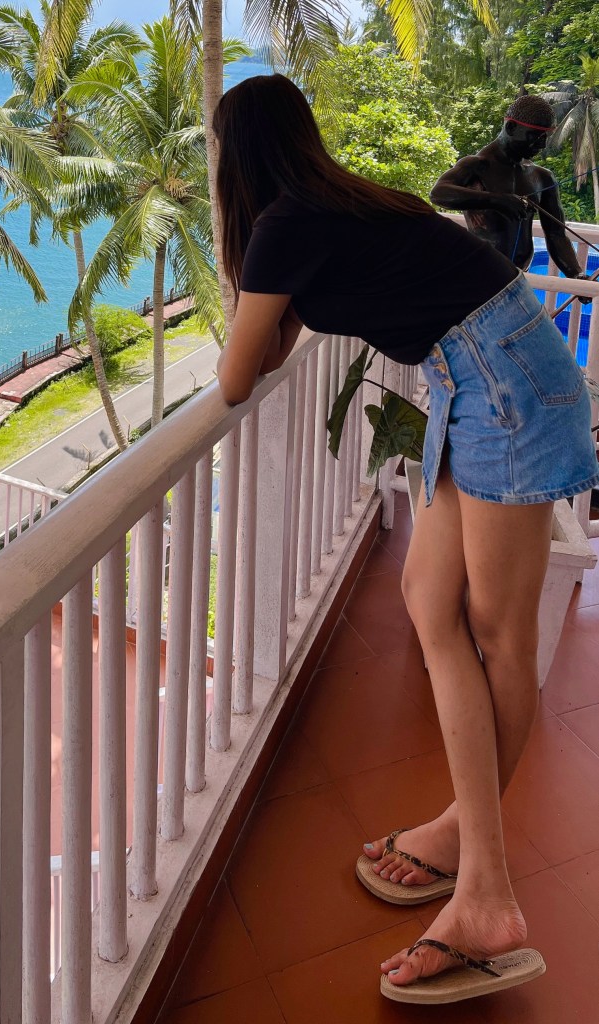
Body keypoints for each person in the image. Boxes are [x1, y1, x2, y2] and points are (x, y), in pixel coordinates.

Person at [213, 74, 599, 1005]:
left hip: (495, 380)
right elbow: (269, 346)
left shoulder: (286, 226)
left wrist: (239, 262)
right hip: (481, 373)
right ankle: (461, 834)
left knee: (495, 634)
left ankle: (486, 900)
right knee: (431, 604)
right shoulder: (331, 203)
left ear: (233, 156)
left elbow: (234, 375)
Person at [431, 95, 591, 299]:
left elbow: (556, 234)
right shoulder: (477, 165)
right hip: (477, 276)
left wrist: (575, 275)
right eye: (535, 135)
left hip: (518, 278)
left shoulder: (542, 177)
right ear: (511, 128)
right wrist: (496, 200)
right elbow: (438, 193)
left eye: (545, 137)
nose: (541, 145)